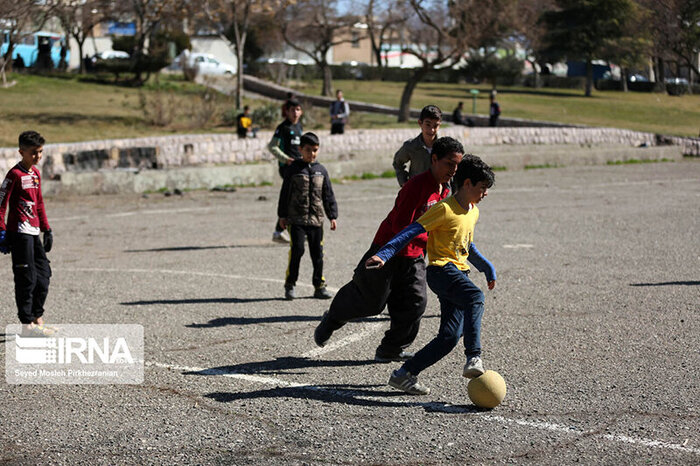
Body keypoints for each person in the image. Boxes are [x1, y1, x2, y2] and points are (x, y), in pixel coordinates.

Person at [314, 137, 461, 362]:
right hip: (388, 251)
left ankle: (390, 348)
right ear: (434, 159)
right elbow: (401, 226)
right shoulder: (416, 186)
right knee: (371, 302)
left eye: (457, 165)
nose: (454, 170)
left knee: (415, 303)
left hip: (414, 255)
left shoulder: (445, 190)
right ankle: (333, 318)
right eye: (449, 164)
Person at [366, 154, 496, 395]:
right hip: (441, 271)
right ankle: (474, 357)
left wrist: (486, 266)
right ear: (467, 184)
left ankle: (404, 374)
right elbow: (412, 229)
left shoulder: (473, 211)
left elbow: (467, 246)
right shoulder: (444, 209)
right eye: (482, 188)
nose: (485, 193)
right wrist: (384, 253)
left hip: (459, 273)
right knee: (475, 297)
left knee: (449, 337)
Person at [0, 131, 55, 337]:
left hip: (33, 233)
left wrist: (46, 228)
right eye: (33, 153)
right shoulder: (14, 175)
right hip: (19, 233)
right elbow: (0, 205)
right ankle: (27, 326)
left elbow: (38, 203)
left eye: (40, 152)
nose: (38, 157)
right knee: (27, 279)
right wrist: (2, 232)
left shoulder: (35, 174)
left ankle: (37, 318)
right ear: (21, 152)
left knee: (44, 276)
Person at [278, 132, 338, 300]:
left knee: (317, 253)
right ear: (300, 150)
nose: (312, 154)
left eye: (315, 150)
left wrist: (332, 216)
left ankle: (319, 285)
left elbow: (328, 195)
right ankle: (290, 284)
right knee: (297, 250)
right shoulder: (293, 170)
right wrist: (282, 216)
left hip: (316, 220)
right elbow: (285, 194)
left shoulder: (321, 171)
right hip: (295, 219)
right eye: (308, 150)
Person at [268, 99, 304, 243]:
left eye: (298, 109)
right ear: (287, 112)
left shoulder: (299, 127)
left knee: (298, 199)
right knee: (293, 199)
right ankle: (279, 231)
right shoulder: (282, 128)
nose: (295, 113)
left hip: (299, 167)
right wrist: (286, 159)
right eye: (292, 110)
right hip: (288, 169)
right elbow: (272, 146)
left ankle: (294, 231)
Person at [393, 105, 442, 187]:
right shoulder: (411, 146)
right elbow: (398, 162)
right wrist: (405, 184)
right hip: (417, 194)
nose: (432, 130)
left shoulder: (444, 147)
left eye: (435, 126)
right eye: (428, 124)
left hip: (439, 196)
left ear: (440, 125)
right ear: (420, 123)